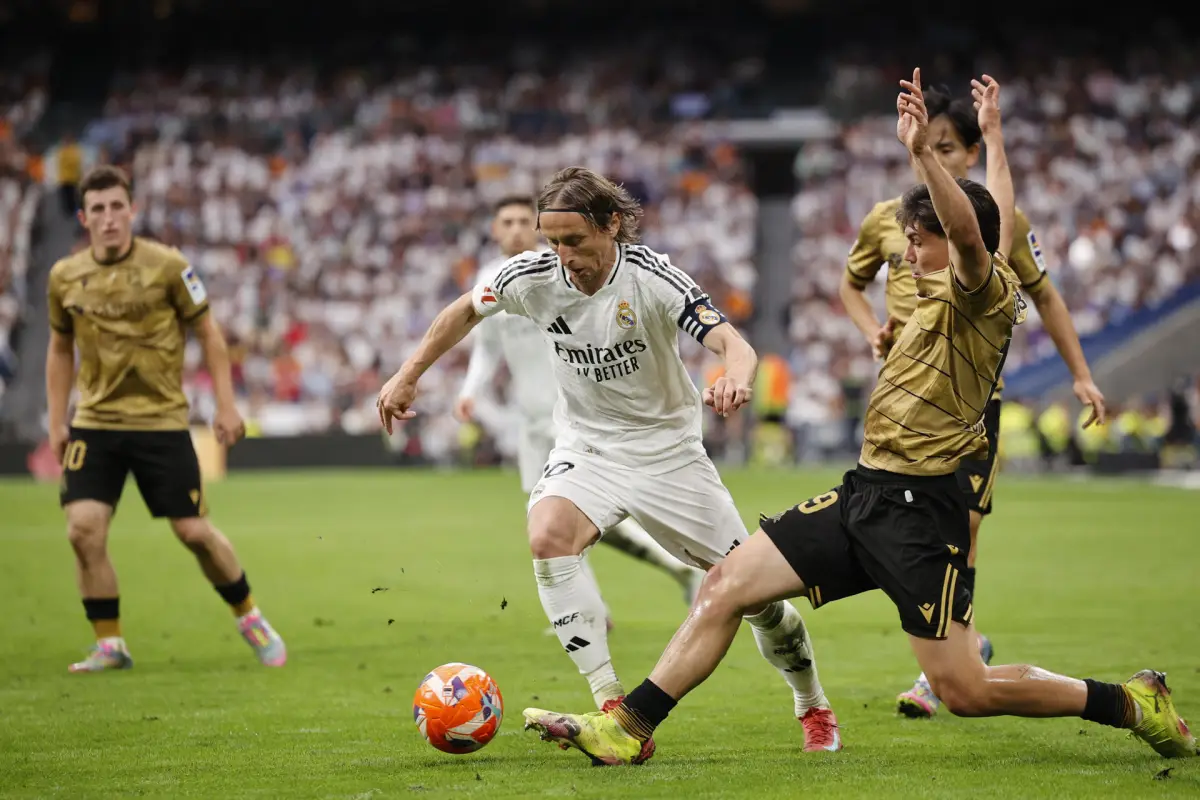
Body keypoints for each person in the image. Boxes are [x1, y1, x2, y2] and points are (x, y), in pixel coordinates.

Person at [521, 72, 1195, 766]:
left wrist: (923, 153)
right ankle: (628, 726)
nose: (908, 255)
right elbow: (982, 216)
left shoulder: (983, 293)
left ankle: (1128, 702)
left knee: (963, 689)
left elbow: (976, 230)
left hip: (922, 513)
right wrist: (986, 144)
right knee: (727, 584)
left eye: (920, 241)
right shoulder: (935, 287)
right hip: (865, 492)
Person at [379, 167, 840, 756]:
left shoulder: (651, 277)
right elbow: (464, 311)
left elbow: (734, 344)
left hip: (668, 456)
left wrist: (737, 378)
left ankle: (812, 704)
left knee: (756, 598)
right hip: (588, 447)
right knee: (548, 535)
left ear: (612, 225)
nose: (564, 256)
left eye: (574, 240)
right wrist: (408, 374)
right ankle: (612, 710)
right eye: (553, 242)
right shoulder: (531, 277)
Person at [838, 74, 1108, 718]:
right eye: (930, 147)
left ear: (966, 155)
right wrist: (874, 331)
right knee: (913, 527)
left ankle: (949, 661)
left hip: (966, 401)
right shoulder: (894, 221)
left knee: (962, 529)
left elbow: (1013, 251)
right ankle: (962, 648)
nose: (939, 156)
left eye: (949, 147)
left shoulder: (982, 248)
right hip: (910, 394)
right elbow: (850, 285)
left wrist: (1081, 373)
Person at [46, 165, 285, 673]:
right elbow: (60, 348)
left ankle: (250, 616)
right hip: (95, 422)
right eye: (98, 209)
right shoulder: (64, 276)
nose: (109, 218)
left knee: (193, 532)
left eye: (117, 206)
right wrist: (56, 419)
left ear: (132, 210)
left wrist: (225, 404)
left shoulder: (170, 266)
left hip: (160, 422)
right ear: (83, 218)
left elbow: (210, 334)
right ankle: (110, 644)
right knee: (82, 530)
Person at [454, 197, 703, 633]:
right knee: (550, 517)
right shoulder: (491, 280)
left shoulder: (558, 273)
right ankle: (609, 601)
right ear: (494, 230)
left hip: (570, 415)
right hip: (530, 420)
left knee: (560, 514)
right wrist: (470, 390)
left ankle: (594, 607)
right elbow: (488, 347)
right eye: (506, 222)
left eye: (523, 221)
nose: (515, 229)